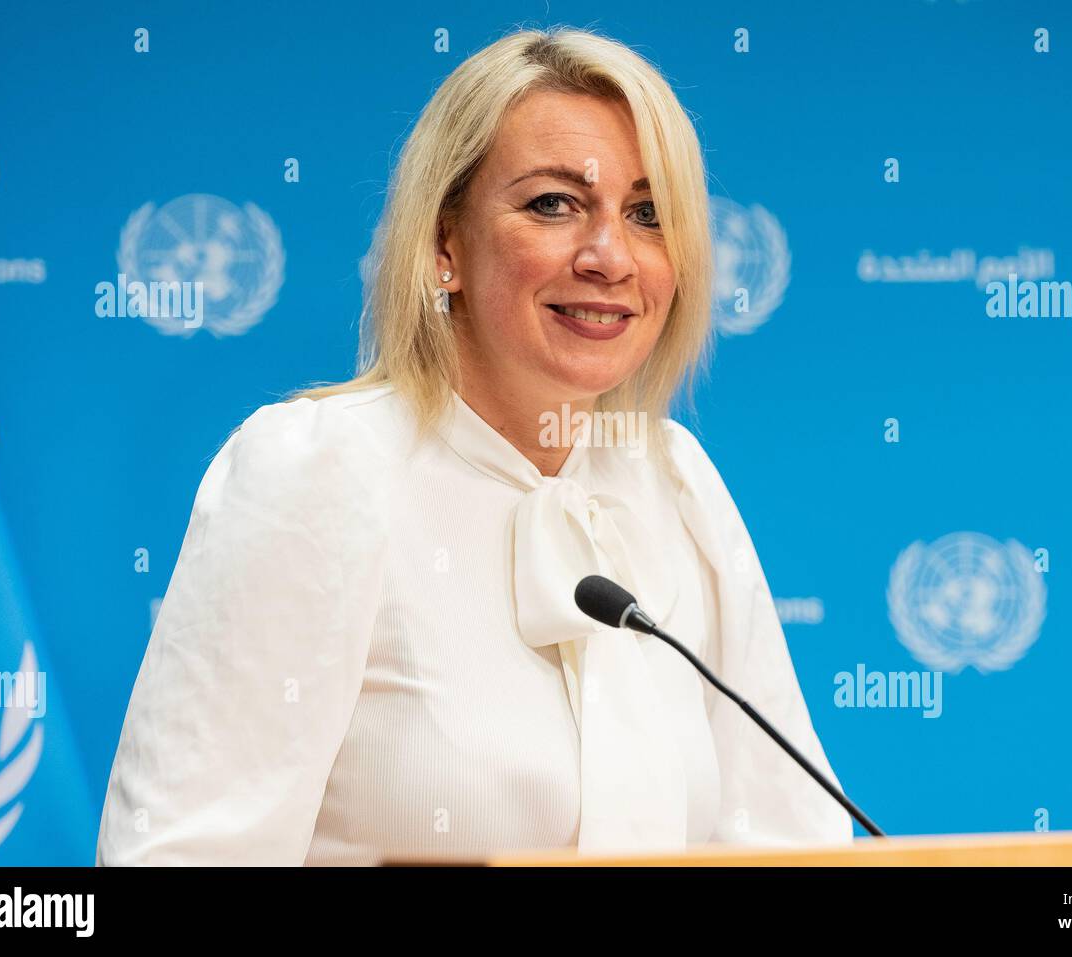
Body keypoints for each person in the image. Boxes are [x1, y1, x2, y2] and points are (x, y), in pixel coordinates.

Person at [96, 26, 853, 865]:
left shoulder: (674, 481)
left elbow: (795, 843)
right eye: (553, 204)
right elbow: (182, 854)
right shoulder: (318, 469)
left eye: (647, 214)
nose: (609, 256)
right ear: (443, 245)